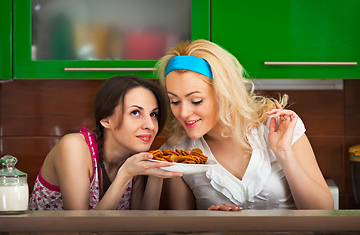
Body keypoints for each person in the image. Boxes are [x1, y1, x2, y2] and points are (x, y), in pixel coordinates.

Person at [154, 39, 334, 210]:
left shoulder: (280, 127)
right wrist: (210, 219)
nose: (183, 113)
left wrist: (284, 153)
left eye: (196, 100)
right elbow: (182, 228)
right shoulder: (177, 153)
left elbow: (323, 211)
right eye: (175, 101)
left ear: (224, 93)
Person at [28, 75, 182, 210]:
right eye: (135, 112)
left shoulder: (134, 157)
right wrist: (125, 174)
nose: (150, 124)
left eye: (153, 114)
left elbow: (141, 227)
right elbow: (80, 230)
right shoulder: (74, 147)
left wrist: (158, 173)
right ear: (106, 119)